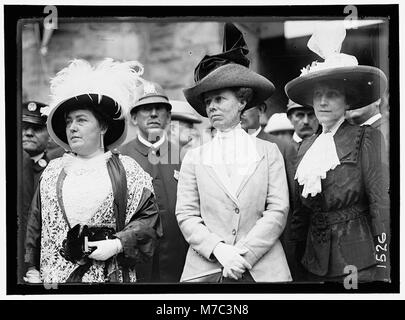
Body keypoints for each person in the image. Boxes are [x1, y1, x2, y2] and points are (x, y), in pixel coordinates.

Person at [24, 58, 161, 283]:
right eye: (68, 122)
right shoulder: (51, 173)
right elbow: (35, 227)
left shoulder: (128, 171)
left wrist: (117, 244)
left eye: (81, 120)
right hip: (55, 282)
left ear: (103, 127)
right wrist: (32, 269)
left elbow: (149, 222)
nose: (72, 128)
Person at [176, 23, 291, 283]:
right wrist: (220, 250)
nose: (212, 107)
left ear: (242, 102)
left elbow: (277, 210)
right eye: (207, 102)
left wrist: (242, 255)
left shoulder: (268, 151)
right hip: (207, 268)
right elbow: (186, 214)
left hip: (262, 268)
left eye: (219, 99)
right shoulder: (194, 156)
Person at [284, 22, 390, 282]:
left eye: (331, 94)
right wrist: (296, 264)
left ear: (347, 101)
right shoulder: (306, 148)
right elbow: (300, 214)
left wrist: (384, 263)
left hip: (360, 262)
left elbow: (380, 205)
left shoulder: (367, 138)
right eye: (317, 95)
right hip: (314, 263)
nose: (322, 102)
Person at [119, 81, 188, 283]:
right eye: (146, 109)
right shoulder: (120, 157)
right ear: (133, 117)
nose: (153, 114)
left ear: (168, 116)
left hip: (178, 261)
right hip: (134, 261)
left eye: (160, 109)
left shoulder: (184, 156)